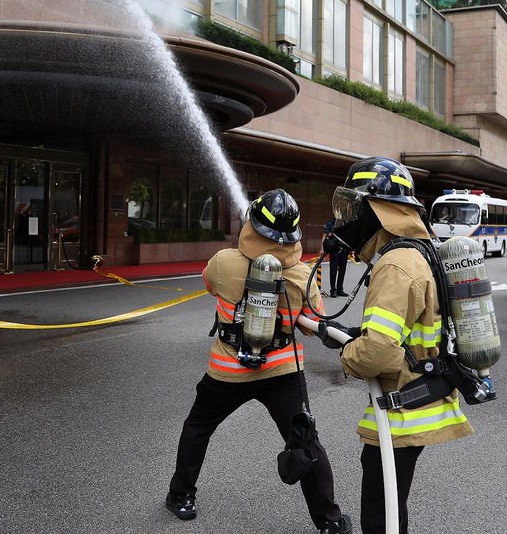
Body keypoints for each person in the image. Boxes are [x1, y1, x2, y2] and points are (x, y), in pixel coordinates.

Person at [165, 189, 352, 534]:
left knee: (198, 427)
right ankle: (330, 522)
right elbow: (313, 328)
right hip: (282, 372)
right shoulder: (300, 275)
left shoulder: (223, 262)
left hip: (227, 370)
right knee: (305, 441)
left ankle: (182, 496)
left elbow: (209, 284)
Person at [324, 157, 473, 534]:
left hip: (404, 409)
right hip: (422, 397)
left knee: (381, 514)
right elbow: (403, 328)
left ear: (376, 210)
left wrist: (348, 353)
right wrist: (356, 332)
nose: (349, 218)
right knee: (392, 505)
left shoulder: (396, 263)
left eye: (355, 207)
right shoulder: (417, 250)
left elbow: (377, 352)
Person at [323, 217, 349, 297]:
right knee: (333, 270)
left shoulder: (346, 222)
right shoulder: (331, 222)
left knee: (342, 270)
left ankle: (340, 289)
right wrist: (322, 248)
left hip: (343, 249)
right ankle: (333, 290)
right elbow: (325, 234)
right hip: (334, 249)